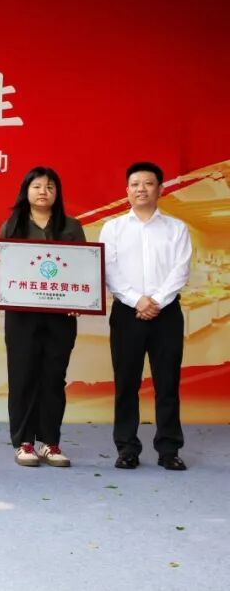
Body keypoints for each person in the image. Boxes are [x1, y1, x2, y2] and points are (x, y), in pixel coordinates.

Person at [0, 167, 84, 468]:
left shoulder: (71, 226)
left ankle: (50, 442)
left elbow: (83, 268)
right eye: (37, 186)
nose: (44, 192)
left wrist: (80, 300)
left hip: (60, 315)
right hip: (21, 316)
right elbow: (4, 271)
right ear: (26, 191)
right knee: (23, 376)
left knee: (54, 378)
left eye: (50, 187)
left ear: (58, 193)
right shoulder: (12, 225)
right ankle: (24, 442)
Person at [100, 162, 192, 470]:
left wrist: (157, 301)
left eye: (148, 183)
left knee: (168, 383)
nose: (142, 189)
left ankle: (169, 449)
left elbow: (181, 270)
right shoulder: (113, 228)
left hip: (167, 314)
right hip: (127, 313)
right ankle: (127, 448)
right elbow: (109, 269)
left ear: (160, 189)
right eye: (135, 184)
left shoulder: (177, 228)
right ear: (127, 190)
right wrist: (137, 300)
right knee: (126, 383)